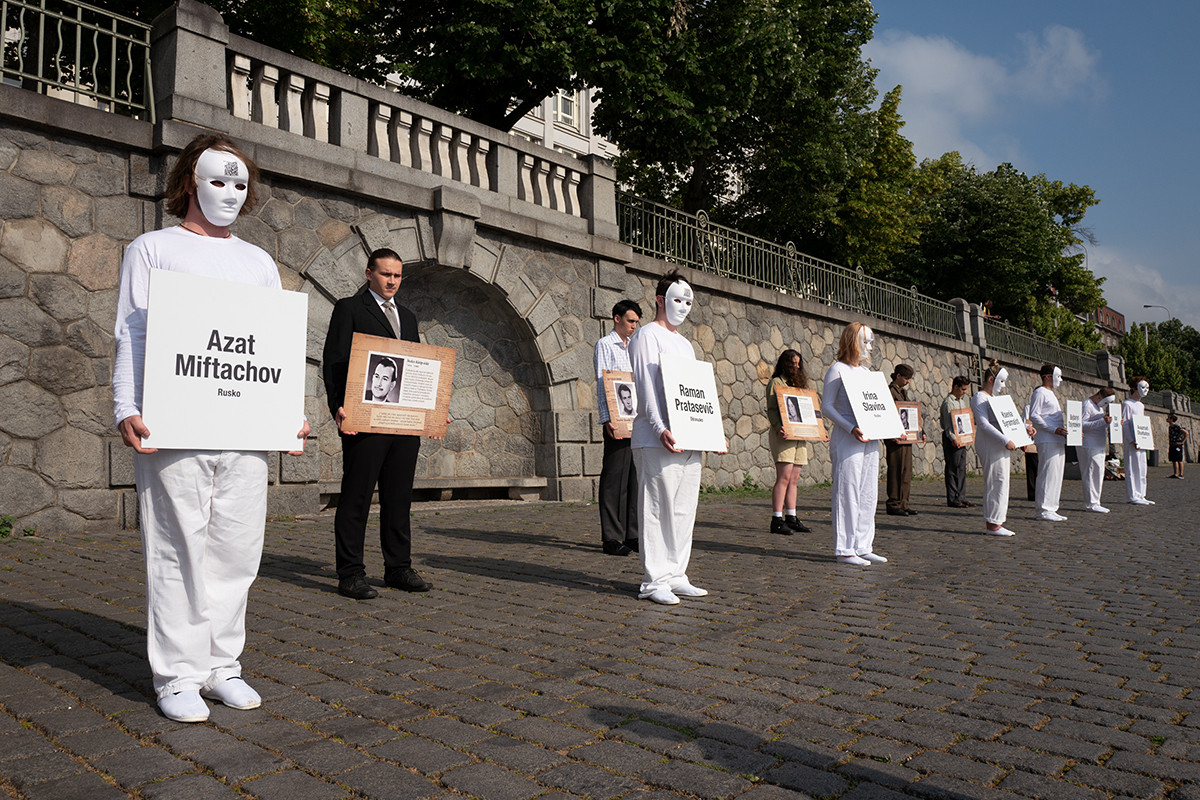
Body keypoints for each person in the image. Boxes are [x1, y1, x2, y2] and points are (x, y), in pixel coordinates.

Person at [113, 134, 310, 723]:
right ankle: (177, 673)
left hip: (245, 429)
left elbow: (271, 343)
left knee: (236, 549)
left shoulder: (257, 262)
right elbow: (132, 330)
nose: (228, 192)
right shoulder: (152, 249)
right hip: (176, 423)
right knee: (177, 547)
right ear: (189, 182)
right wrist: (127, 404)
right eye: (217, 179)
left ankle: (223, 665)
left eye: (239, 183)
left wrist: (287, 413)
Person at [322, 248, 432, 599]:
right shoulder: (350, 309)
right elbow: (336, 361)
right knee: (356, 497)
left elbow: (414, 367)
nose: (391, 281)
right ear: (369, 273)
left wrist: (430, 407)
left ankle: (398, 567)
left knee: (398, 498)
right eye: (385, 274)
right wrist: (339, 406)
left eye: (397, 276)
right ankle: (351, 573)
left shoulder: (410, 317)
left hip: (403, 424)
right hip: (363, 420)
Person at [629, 271, 709, 603]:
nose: (684, 307)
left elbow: (694, 392)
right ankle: (654, 581)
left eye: (689, 301)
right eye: (678, 299)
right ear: (660, 300)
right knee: (656, 507)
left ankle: (676, 574)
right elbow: (645, 386)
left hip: (688, 440)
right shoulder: (647, 335)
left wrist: (707, 434)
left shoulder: (686, 344)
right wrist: (660, 426)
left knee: (682, 510)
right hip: (655, 437)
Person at [822, 323, 887, 566]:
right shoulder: (837, 370)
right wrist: (850, 427)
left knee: (869, 491)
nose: (869, 347)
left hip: (870, 438)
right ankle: (845, 548)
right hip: (848, 436)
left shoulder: (868, 374)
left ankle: (863, 544)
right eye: (865, 341)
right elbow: (826, 406)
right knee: (847, 491)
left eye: (871, 342)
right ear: (852, 341)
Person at [594, 299, 642, 556]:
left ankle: (631, 533)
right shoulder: (605, 344)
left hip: (636, 419)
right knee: (614, 477)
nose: (634, 326)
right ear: (617, 318)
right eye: (630, 320)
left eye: (636, 322)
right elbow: (602, 380)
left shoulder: (635, 347)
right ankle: (611, 537)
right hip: (616, 418)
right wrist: (607, 418)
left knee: (634, 477)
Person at [972, 360, 1035, 536]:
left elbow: (1011, 422)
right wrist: (1005, 439)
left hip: (1000, 444)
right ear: (991, 379)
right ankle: (992, 523)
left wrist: (1025, 430)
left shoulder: (996, 400)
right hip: (990, 444)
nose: (1004, 385)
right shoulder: (979, 398)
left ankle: (998, 521)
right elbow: (984, 424)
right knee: (995, 481)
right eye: (1001, 381)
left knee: (1002, 481)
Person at [765, 349, 813, 535]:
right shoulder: (775, 383)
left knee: (794, 478)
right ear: (784, 364)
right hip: (783, 435)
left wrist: (817, 429)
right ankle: (776, 519)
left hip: (800, 435)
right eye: (792, 363)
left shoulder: (798, 384)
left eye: (798, 363)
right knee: (783, 477)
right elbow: (771, 409)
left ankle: (791, 517)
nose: (796, 366)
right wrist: (778, 428)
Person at [1029, 364, 1069, 521]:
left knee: (1056, 474)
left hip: (1057, 439)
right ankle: (1043, 509)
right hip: (1047, 439)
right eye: (1057, 376)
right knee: (1047, 473)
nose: (1060, 380)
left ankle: (1052, 507)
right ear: (1047, 376)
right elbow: (1034, 415)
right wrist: (1053, 429)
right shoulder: (1040, 392)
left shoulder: (1051, 394)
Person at [884, 364, 921, 517]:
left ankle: (904, 503)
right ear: (898, 376)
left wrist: (920, 431)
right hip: (895, 438)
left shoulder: (902, 393)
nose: (908, 382)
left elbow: (911, 414)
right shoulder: (889, 392)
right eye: (906, 378)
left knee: (905, 471)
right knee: (896, 470)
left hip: (906, 437)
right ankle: (893, 503)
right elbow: (886, 414)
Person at [1080, 387, 1116, 512]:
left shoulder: (1099, 407)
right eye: (1105, 402)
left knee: (1099, 473)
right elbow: (1082, 425)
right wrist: (1102, 421)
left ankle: (1096, 501)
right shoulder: (1087, 405)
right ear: (1099, 397)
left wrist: (1110, 422)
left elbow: (1100, 423)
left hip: (1099, 444)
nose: (1105, 406)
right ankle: (1091, 503)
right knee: (1091, 472)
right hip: (1089, 444)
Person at [940, 375, 973, 508]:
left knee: (961, 469)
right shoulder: (949, 402)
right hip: (952, 439)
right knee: (952, 469)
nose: (964, 392)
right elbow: (948, 425)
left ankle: (961, 496)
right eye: (963, 389)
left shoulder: (962, 400)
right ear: (956, 387)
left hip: (962, 437)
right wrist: (953, 439)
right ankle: (953, 498)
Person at [1122, 377, 1154, 505]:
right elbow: (1125, 423)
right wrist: (1130, 440)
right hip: (1132, 442)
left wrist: (1148, 439)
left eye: (1147, 388)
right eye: (1142, 387)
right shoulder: (1127, 404)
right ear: (1134, 389)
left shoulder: (1141, 405)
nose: (1145, 390)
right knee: (1132, 467)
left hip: (1141, 440)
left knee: (1142, 468)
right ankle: (1133, 495)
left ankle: (1141, 494)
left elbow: (1143, 424)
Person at [1168, 414, 1187, 479]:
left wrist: (1183, 441)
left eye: (1168, 418)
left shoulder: (1176, 426)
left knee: (1179, 459)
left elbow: (1186, 433)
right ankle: (1175, 473)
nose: (1167, 419)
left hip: (1177, 445)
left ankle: (1181, 474)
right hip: (1172, 444)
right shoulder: (1170, 427)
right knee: (1174, 459)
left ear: (1171, 419)